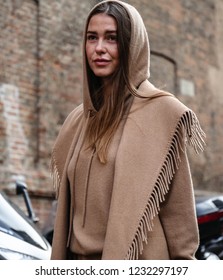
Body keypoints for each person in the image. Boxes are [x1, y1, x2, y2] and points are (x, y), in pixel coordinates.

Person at [50, 0, 205, 260]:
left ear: (132, 46)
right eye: (92, 38)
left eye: (112, 38)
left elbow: (181, 226)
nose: (99, 48)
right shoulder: (77, 121)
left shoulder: (163, 112)